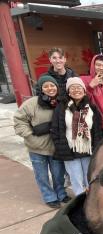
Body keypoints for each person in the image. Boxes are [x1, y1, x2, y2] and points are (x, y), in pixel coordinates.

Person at [14, 75, 70, 208]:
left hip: (55, 147)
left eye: (52, 85)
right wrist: (29, 135)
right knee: (42, 176)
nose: (50, 88)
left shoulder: (62, 102)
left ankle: (61, 194)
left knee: (58, 174)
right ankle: (49, 196)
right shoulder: (31, 103)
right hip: (36, 148)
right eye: (46, 86)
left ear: (57, 87)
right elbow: (19, 121)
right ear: (41, 89)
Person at [51, 77, 103, 196]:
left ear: (84, 91)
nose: (76, 90)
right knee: (76, 179)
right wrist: (60, 147)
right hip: (70, 148)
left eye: (79, 87)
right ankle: (80, 201)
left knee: (90, 177)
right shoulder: (62, 108)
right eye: (72, 88)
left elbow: (97, 130)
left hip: (88, 148)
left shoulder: (91, 108)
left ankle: (91, 199)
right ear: (68, 92)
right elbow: (56, 129)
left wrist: (97, 147)